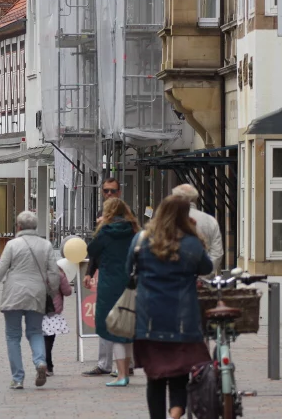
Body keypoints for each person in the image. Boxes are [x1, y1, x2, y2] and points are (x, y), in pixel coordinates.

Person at [130, 195, 213, 419]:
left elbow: (128, 273)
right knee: (179, 376)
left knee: (154, 378)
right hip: (182, 319)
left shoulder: (141, 239)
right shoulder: (191, 243)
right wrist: (196, 236)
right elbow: (207, 267)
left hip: (149, 319)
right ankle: (175, 415)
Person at [0, 211, 60, 390]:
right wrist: (51, 292)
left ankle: (18, 378)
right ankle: (40, 362)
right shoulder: (46, 245)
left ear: (19, 227)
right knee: (35, 332)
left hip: (13, 294)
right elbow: (54, 273)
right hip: (36, 294)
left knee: (12, 336)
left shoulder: (12, 245)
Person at [87, 198, 140, 387]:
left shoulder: (105, 232)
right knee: (126, 326)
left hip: (109, 284)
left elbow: (91, 250)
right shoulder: (134, 230)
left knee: (113, 328)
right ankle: (125, 369)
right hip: (129, 283)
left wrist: (100, 227)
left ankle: (121, 375)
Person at [82, 177, 129, 378]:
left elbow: (94, 246)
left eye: (112, 191)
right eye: (106, 191)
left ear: (119, 193)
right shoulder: (103, 215)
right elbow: (97, 252)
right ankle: (108, 364)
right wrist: (89, 272)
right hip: (116, 276)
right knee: (114, 319)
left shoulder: (124, 215)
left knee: (115, 319)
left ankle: (122, 365)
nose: (108, 194)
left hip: (114, 277)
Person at [171, 184, 224, 271]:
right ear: (195, 199)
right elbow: (217, 253)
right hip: (203, 279)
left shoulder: (169, 220)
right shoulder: (210, 220)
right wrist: (205, 274)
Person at [43, 265, 72, 376]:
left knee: (40, 339)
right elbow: (68, 292)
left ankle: (45, 364)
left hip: (37, 308)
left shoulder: (35, 271)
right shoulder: (58, 274)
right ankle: (48, 365)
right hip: (53, 311)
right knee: (49, 339)